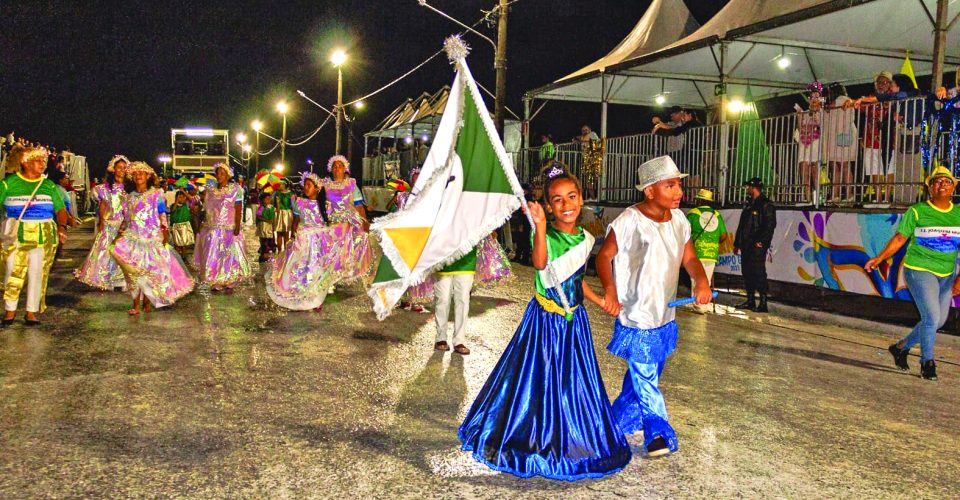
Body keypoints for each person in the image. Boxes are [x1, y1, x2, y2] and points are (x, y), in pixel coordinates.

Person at [459, 169, 632, 480]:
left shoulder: (585, 237)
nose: (566, 204)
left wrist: (601, 301)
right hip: (545, 322)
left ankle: (573, 433)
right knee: (538, 379)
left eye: (572, 197)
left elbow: (576, 283)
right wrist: (539, 227)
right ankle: (536, 436)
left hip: (574, 323)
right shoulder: (548, 235)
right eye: (557, 200)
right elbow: (540, 264)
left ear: (581, 199)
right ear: (549, 206)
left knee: (573, 381)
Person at [595, 155, 712, 458]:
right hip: (637, 313)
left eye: (679, 185)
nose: (678, 192)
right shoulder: (630, 220)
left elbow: (689, 258)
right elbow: (603, 256)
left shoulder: (680, 221)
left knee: (644, 376)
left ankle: (612, 424)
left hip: (665, 314)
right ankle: (656, 432)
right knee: (646, 375)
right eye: (670, 185)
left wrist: (700, 280)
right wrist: (610, 290)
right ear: (649, 190)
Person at [864, 166, 960, 381]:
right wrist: (879, 259)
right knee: (932, 317)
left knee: (938, 320)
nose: (941, 185)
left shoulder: (958, 214)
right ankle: (927, 362)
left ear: (954, 187)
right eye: (936, 181)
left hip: (946, 274)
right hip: (919, 270)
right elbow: (899, 239)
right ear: (929, 188)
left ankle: (900, 348)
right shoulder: (917, 211)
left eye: (946, 181)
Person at [111, 161, 194, 315]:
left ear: (148, 175)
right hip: (133, 239)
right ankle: (136, 304)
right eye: (135, 174)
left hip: (151, 239)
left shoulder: (156, 194)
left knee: (149, 273)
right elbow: (126, 219)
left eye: (141, 173)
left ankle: (147, 303)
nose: (138, 176)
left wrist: (165, 232)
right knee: (133, 273)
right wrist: (119, 234)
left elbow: (162, 214)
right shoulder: (129, 197)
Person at [0, 147, 69, 326]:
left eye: (43, 161)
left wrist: (62, 227)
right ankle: (10, 310)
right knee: (12, 270)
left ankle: (31, 312)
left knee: (37, 273)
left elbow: (61, 210)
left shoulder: (48, 185)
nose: (42, 164)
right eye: (38, 161)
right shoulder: (9, 183)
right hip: (16, 234)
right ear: (24, 162)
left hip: (43, 235)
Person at [265, 172, 341, 312]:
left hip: (318, 243)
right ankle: (300, 293)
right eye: (304, 185)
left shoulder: (326, 205)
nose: (305, 187)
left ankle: (315, 298)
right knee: (300, 267)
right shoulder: (299, 202)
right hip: (303, 240)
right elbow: (296, 220)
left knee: (316, 268)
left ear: (317, 188)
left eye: (309, 185)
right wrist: (294, 234)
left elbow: (330, 223)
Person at [193, 162, 252, 291]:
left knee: (229, 254)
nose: (219, 176)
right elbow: (207, 209)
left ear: (228, 175)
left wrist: (237, 226)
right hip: (213, 228)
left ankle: (229, 278)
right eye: (218, 173)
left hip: (229, 228)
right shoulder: (211, 190)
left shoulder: (236, 190)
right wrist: (203, 221)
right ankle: (216, 278)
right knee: (215, 254)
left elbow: (238, 209)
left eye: (222, 173)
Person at [75, 155, 129, 290]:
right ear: (113, 169)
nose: (121, 170)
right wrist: (101, 222)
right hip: (110, 224)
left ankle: (123, 279)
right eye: (119, 167)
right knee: (105, 252)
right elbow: (103, 205)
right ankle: (107, 278)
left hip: (125, 225)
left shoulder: (130, 187)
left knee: (124, 252)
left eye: (124, 168)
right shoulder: (106, 188)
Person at [322, 155, 374, 285]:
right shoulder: (326, 185)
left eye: (340, 166)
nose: (337, 168)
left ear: (345, 169)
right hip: (332, 221)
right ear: (331, 169)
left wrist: (365, 224)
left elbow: (359, 206)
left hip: (349, 221)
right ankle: (333, 274)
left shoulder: (351, 185)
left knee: (349, 247)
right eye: (335, 166)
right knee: (331, 249)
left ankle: (345, 273)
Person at [734, 177, 777, 312]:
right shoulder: (749, 204)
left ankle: (763, 302)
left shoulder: (765, 204)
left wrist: (762, 242)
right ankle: (750, 299)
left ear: (753, 188)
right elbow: (742, 226)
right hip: (746, 244)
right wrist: (737, 243)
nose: (747, 189)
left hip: (756, 245)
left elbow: (770, 225)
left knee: (758, 272)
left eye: (748, 187)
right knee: (747, 272)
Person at [686, 189, 728, 313]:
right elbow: (724, 235)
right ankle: (703, 304)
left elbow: (685, 232)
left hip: (696, 252)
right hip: (711, 253)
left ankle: (698, 304)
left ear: (699, 200)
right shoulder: (717, 215)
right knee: (706, 279)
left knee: (695, 278)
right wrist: (714, 243)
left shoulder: (693, 213)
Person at [824, 83, 857, 203]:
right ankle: (836, 194)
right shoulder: (837, 102)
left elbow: (830, 107)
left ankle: (848, 194)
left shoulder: (843, 100)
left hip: (844, 135)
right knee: (836, 166)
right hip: (837, 136)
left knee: (844, 165)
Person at [795, 81, 824, 204]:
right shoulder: (805, 113)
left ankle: (817, 198)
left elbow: (821, 125)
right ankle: (807, 198)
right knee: (804, 169)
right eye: (812, 97)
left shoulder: (822, 112)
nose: (814, 99)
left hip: (816, 144)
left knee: (814, 170)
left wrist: (816, 111)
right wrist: (799, 116)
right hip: (804, 144)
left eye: (816, 97)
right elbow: (800, 129)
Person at [168, 190, 194, 260]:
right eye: (180, 197)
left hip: (185, 226)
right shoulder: (173, 205)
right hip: (176, 226)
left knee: (183, 243)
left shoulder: (186, 204)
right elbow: (173, 210)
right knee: (177, 243)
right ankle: (177, 257)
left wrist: (183, 191)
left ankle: (184, 256)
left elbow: (192, 199)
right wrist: (176, 201)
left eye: (183, 197)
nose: (181, 199)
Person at [273, 180, 294, 252]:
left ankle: (286, 251)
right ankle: (279, 251)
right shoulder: (277, 194)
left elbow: (293, 205)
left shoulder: (291, 194)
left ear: (285, 185)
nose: (279, 186)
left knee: (286, 233)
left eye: (280, 184)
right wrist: (277, 203)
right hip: (280, 213)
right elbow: (276, 207)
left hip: (288, 214)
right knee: (279, 233)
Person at [256, 192, 276, 263]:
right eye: (267, 199)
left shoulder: (271, 207)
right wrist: (267, 220)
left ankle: (266, 255)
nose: (269, 200)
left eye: (270, 198)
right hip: (263, 226)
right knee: (264, 241)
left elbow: (276, 212)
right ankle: (263, 255)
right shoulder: (261, 207)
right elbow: (258, 216)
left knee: (268, 241)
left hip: (269, 227)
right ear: (263, 200)